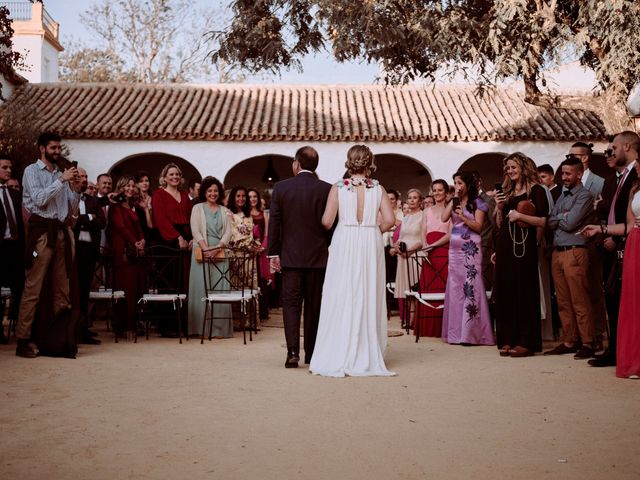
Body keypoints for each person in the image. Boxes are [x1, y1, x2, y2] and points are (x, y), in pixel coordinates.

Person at [310, 145, 396, 377]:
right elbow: (390, 220)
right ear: (369, 162)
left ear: (350, 161)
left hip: (345, 239)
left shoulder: (339, 188)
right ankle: (366, 349)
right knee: (368, 292)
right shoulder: (378, 188)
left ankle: (340, 348)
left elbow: (327, 221)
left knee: (341, 292)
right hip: (370, 239)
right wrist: (372, 228)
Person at [15, 132, 82, 358]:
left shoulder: (60, 174)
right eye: (53, 148)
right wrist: (61, 181)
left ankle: (58, 340)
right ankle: (23, 340)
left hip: (62, 231)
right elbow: (40, 200)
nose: (57, 152)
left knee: (62, 290)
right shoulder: (31, 171)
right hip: (42, 233)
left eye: (58, 148)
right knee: (33, 287)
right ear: (42, 148)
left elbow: (72, 213)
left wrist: (76, 190)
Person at [267, 146, 332, 368]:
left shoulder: (281, 188)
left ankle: (292, 352)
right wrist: (327, 247)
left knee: (291, 305)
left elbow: (275, 222)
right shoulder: (326, 189)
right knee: (314, 307)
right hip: (318, 258)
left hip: (290, 258)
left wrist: (273, 253)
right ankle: (311, 354)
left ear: (297, 164)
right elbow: (331, 225)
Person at [581, 150, 640, 379]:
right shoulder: (635, 189)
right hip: (635, 243)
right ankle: (634, 359)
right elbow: (627, 225)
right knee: (632, 301)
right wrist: (600, 229)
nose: (636, 168)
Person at [493, 152, 549, 357]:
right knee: (505, 291)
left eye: (513, 167)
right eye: (507, 168)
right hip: (506, 243)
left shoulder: (537, 190)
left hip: (525, 246)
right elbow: (500, 224)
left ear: (523, 167)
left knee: (524, 291)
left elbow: (543, 221)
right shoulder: (507, 192)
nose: (510, 171)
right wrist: (500, 208)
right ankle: (508, 338)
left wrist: (520, 215)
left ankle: (526, 341)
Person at [543, 156, 596, 359]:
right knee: (563, 301)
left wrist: (561, 217)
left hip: (575, 251)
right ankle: (569, 340)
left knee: (579, 300)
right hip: (558, 253)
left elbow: (571, 222)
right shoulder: (563, 196)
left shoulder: (584, 195)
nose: (564, 177)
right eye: (562, 173)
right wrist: (561, 216)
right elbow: (549, 221)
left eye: (568, 173)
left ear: (579, 174)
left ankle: (588, 342)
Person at [441, 172, 494, 346]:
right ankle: (456, 333)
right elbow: (443, 218)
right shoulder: (455, 201)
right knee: (456, 288)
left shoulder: (478, 203)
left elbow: (478, 227)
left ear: (468, 185)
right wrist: (453, 199)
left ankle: (471, 333)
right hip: (454, 250)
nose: (456, 186)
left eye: (459, 183)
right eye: (455, 183)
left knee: (471, 285)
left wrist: (463, 217)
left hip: (471, 247)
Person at [188, 176, 233, 338]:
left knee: (220, 288)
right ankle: (198, 328)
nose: (213, 193)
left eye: (215, 191)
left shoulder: (225, 211)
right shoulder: (197, 208)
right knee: (200, 288)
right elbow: (196, 230)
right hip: (201, 252)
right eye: (209, 191)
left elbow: (229, 232)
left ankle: (219, 330)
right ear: (204, 192)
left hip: (219, 252)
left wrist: (218, 247)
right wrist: (206, 249)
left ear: (219, 192)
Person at [108, 176, 146, 339]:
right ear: (121, 188)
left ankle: (133, 324)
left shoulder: (134, 207)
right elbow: (121, 227)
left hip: (135, 252)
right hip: (123, 252)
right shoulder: (115, 207)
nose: (130, 188)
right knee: (125, 291)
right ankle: (124, 327)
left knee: (135, 290)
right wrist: (135, 242)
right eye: (126, 186)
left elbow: (139, 227)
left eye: (132, 186)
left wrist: (142, 240)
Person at [73, 167, 106, 344]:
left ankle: (83, 328)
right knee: (72, 291)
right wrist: (88, 218)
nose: (84, 178)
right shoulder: (69, 197)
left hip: (88, 250)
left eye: (86, 176)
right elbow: (72, 220)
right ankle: (72, 329)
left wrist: (84, 219)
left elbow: (101, 222)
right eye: (81, 176)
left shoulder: (93, 200)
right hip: (72, 249)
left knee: (85, 291)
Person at [415, 179, 451, 338]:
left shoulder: (450, 210)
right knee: (428, 286)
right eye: (434, 190)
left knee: (443, 287)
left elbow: (450, 234)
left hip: (443, 251)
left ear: (446, 192)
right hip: (429, 252)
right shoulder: (426, 211)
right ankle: (427, 328)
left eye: (440, 190)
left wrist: (434, 245)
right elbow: (423, 230)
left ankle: (442, 328)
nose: (437, 193)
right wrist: (425, 245)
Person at [0, 156, 25, 344]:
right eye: (5, 167)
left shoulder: (15, 195)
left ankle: (20, 329)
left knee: (20, 288)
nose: (9, 170)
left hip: (15, 249)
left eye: (10, 167)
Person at [390, 188, 423, 328]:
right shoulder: (406, 217)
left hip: (416, 254)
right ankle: (409, 319)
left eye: (415, 198)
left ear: (420, 201)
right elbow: (401, 236)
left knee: (415, 287)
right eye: (409, 198)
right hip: (403, 257)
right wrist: (396, 247)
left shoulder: (423, 216)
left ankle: (414, 321)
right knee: (407, 290)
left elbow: (423, 239)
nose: (412, 200)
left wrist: (409, 250)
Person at [152, 163, 193, 250]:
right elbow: (161, 219)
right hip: (167, 238)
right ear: (165, 178)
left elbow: (191, 216)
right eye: (171, 174)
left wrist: (193, 238)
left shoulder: (184, 195)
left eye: (177, 174)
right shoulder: (158, 194)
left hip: (186, 237)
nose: (175, 176)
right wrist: (179, 237)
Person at [248, 187, 272, 321]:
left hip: (261, 251)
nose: (252, 199)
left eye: (254, 197)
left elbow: (267, 233)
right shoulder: (244, 214)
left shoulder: (264, 214)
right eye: (250, 197)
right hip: (248, 251)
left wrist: (262, 247)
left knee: (262, 280)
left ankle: (262, 312)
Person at [135, 170, 155, 243]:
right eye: (141, 181)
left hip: (153, 234)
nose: (144, 183)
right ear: (137, 184)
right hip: (139, 235)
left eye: (146, 181)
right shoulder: (134, 200)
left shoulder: (154, 198)